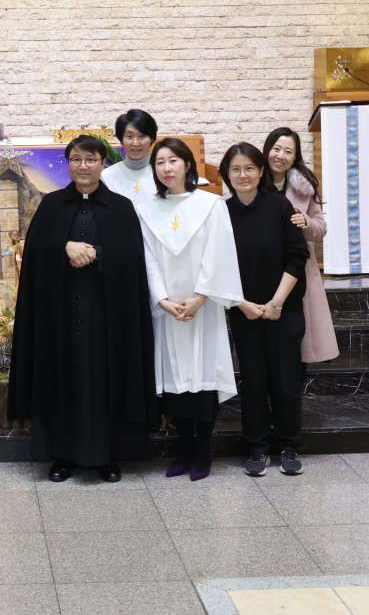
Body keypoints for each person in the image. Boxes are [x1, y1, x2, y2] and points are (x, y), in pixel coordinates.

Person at [9, 134, 157, 483]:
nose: (83, 166)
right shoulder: (51, 205)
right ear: (69, 164)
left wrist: (98, 254)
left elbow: (133, 261)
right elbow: (35, 254)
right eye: (76, 159)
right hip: (59, 314)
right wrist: (64, 247)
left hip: (106, 317)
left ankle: (108, 457)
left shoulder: (121, 208)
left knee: (105, 381)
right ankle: (62, 456)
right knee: (61, 378)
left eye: (91, 159)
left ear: (103, 163)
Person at [141, 137, 244, 481]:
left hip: (203, 308)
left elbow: (219, 253)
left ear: (187, 164)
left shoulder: (211, 205)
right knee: (175, 384)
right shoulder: (147, 209)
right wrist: (161, 299)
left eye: (173, 160)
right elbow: (148, 259)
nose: (167, 168)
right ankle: (184, 449)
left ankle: (203, 452)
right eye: (160, 163)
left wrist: (200, 297)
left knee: (203, 380)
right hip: (168, 312)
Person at [221, 142, 310, 478]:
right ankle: (257, 448)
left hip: (284, 310)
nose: (242, 175)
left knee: (286, 382)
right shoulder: (222, 213)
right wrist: (241, 304)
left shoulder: (279, 206)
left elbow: (297, 256)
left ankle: (289, 446)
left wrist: (276, 303)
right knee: (254, 381)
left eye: (249, 168)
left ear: (261, 171)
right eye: (235, 169)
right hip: (243, 310)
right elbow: (216, 265)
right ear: (227, 175)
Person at [262, 127, 339, 369]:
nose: (280, 156)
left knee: (297, 340)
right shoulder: (253, 180)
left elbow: (321, 228)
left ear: (295, 157)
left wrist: (305, 222)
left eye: (288, 152)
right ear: (267, 150)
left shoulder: (303, 185)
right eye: (276, 149)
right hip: (262, 266)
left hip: (297, 268)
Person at [101, 109, 157, 206]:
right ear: (121, 139)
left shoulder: (164, 173)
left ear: (151, 138)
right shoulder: (107, 176)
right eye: (129, 136)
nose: (135, 143)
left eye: (142, 136)